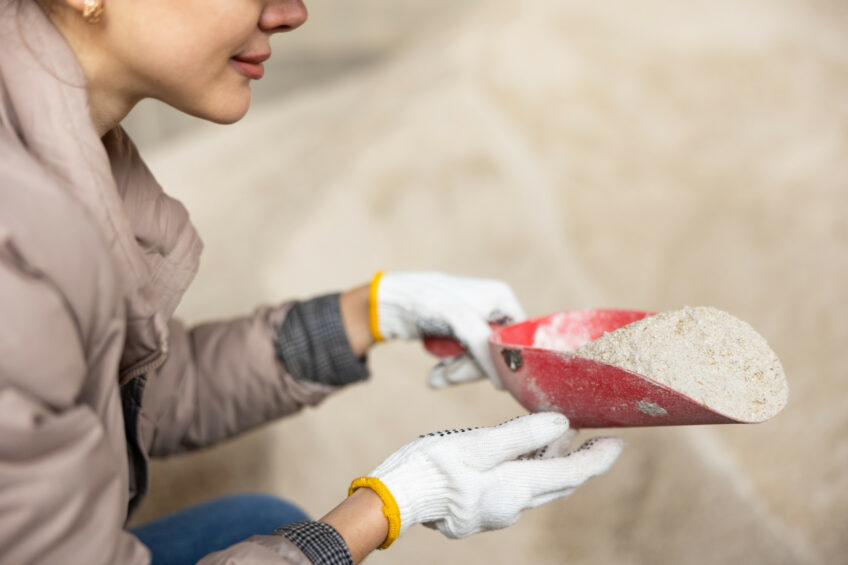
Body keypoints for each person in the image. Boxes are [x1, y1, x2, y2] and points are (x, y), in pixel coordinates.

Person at [0, 0, 624, 562]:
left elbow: (119, 391)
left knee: (261, 520)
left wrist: (371, 313)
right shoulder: (20, 245)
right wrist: (386, 507)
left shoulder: (66, 144)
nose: (291, 13)